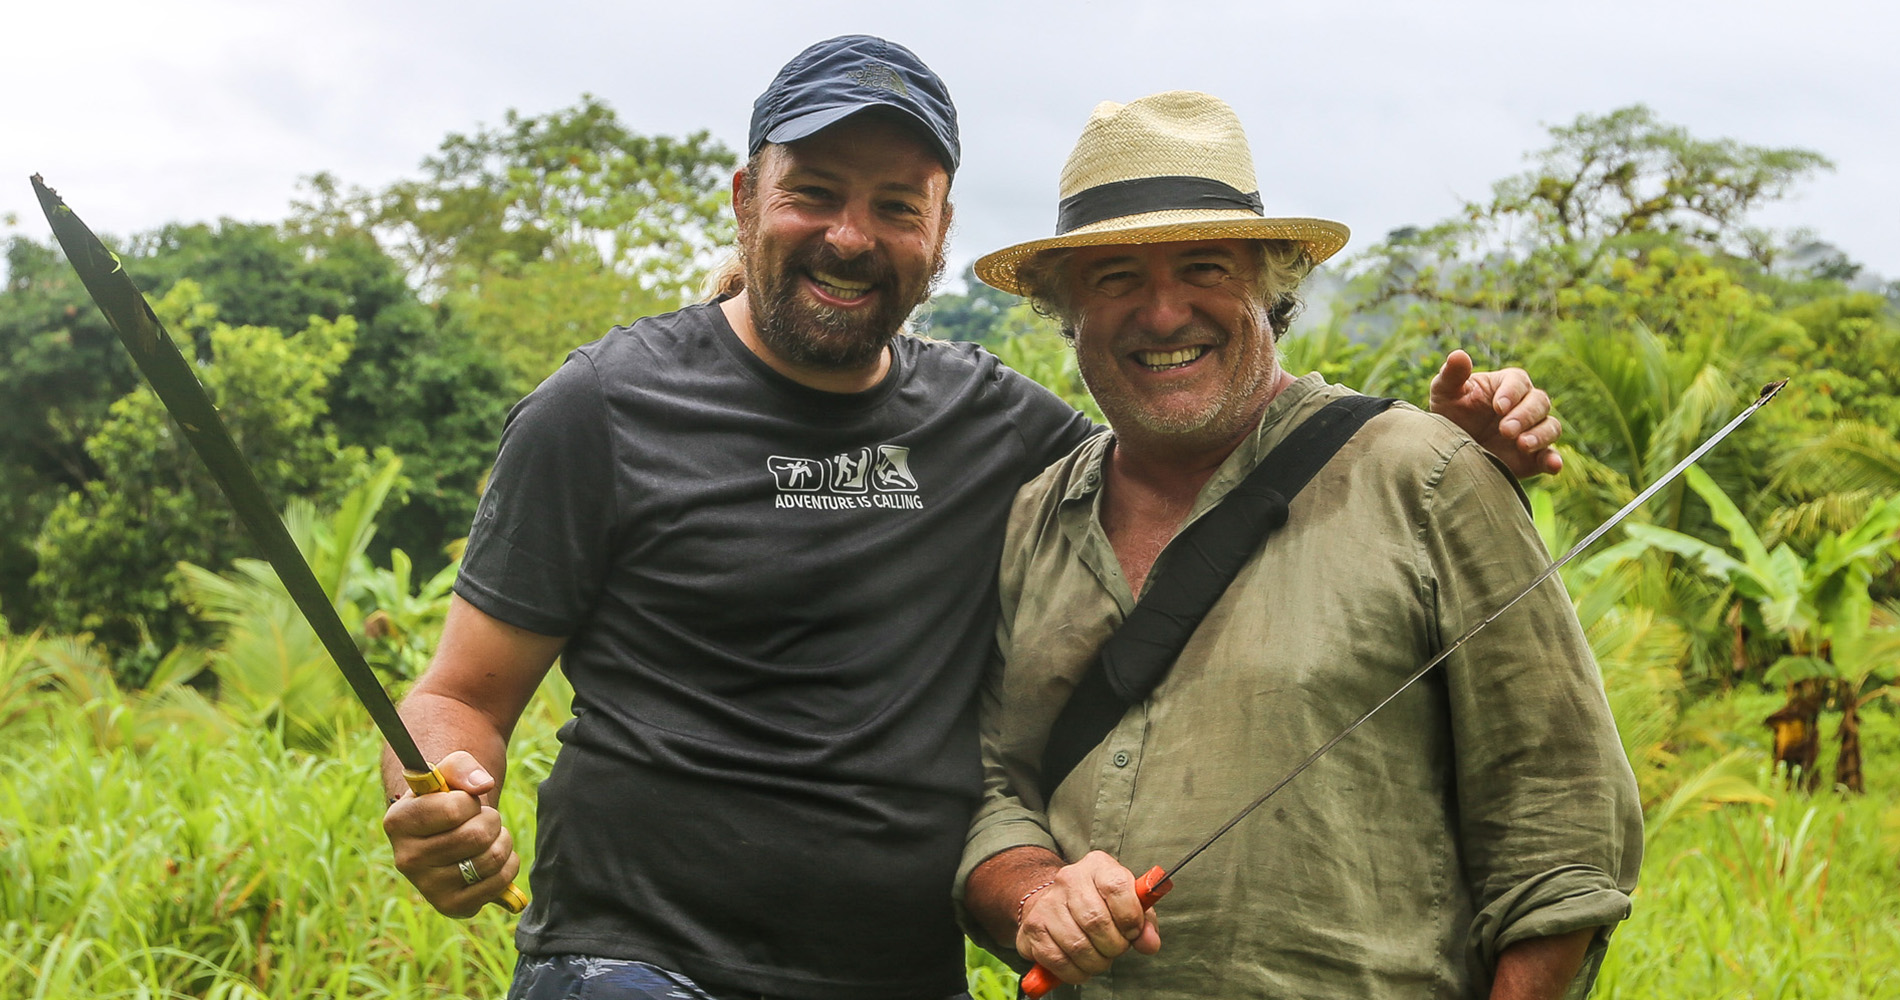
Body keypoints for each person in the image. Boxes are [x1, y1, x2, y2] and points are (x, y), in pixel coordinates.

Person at [379, 39, 1567, 1000]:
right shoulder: (601, 407)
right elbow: (460, 697)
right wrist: (438, 796)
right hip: (640, 962)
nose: (851, 234)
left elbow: (1209, 449)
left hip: (901, 972)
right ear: (749, 200)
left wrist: (1459, 443)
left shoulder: (1006, 431)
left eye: (896, 204)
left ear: (940, 233)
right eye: (814, 194)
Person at [956, 91, 1642, 999]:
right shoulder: (1036, 515)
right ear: (1065, 309)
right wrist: (1037, 892)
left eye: (1204, 268)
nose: (1164, 315)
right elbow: (997, 786)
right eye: (1116, 276)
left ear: (1271, 287)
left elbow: (1561, 834)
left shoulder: (1427, 475)